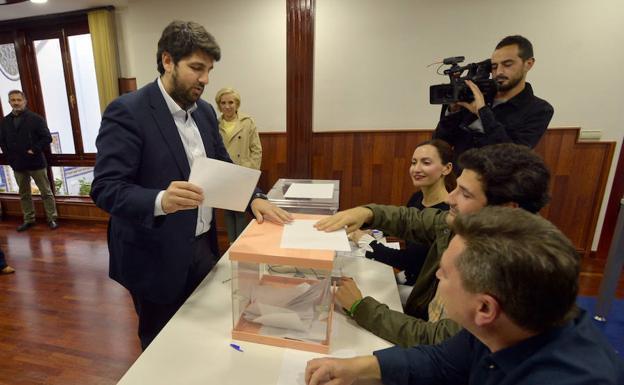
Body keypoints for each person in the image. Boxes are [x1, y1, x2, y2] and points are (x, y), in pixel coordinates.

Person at [90, 20, 292, 350]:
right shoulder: (128, 111)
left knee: (202, 336)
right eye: (196, 68)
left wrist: (253, 197)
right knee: (162, 345)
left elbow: (223, 165)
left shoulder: (206, 113)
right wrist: (159, 200)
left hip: (202, 246)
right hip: (153, 255)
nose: (205, 79)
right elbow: (106, 187)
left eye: (209, 70)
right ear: (167, 60)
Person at [306, 207, 624, 385]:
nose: (437, 277)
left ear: (484, 307)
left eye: (444, 274)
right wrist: (356, 368)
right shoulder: (502, 327)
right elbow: (442, 361)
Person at [316, 143, 550, 347]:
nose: (450, 198)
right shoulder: (470, 226)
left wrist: (360, 307)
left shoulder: (507, 275)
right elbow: (413, 220)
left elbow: (437, 342)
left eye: (465, 194)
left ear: (507, 211)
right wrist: (366, 212)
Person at [350, 139, 454, 291]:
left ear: (447, 168)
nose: (416, 169)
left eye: (426, 163)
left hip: (424, 291)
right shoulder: (416, 198)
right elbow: (402, 225)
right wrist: (372, 231)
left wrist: (365, 241)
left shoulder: (447, 213)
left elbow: (410, 261)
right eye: (413, 162)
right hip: (409, 277)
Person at [433, 35, 554, 159]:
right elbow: (440, 144)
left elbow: (512, 156)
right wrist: (453, 111)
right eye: (494, 67)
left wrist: (482, 112)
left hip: (496, 178)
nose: (499, 72)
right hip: (459, 176)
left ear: (528, 64)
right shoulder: (472, 96)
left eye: (507, 64)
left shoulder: (540, 109)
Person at [0, 90, 59, 231]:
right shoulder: (5, 122)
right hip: (17, 164)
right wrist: (10, 156)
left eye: (18, 100)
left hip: (36, 162)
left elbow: (47, 138)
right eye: (13, 100)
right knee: (24, 194)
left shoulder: (36, 118)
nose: (16, 102)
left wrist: (34, 149)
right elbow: (2, 141)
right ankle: (29, 220)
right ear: (9, 102)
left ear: (24, 101)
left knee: (46, 192)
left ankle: (52, 219)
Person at [215, 87, 262, 243]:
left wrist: (251, 172)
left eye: (231, 102)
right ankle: (230, 244)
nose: (227, 106)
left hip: (243, 171)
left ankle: (240, 245)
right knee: (228, 210)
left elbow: (256, 150)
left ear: (237, 104)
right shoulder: (215, 124)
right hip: (224, 172)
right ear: (219, 105)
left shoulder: (247, 122)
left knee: (240, 210)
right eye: (223, 103)